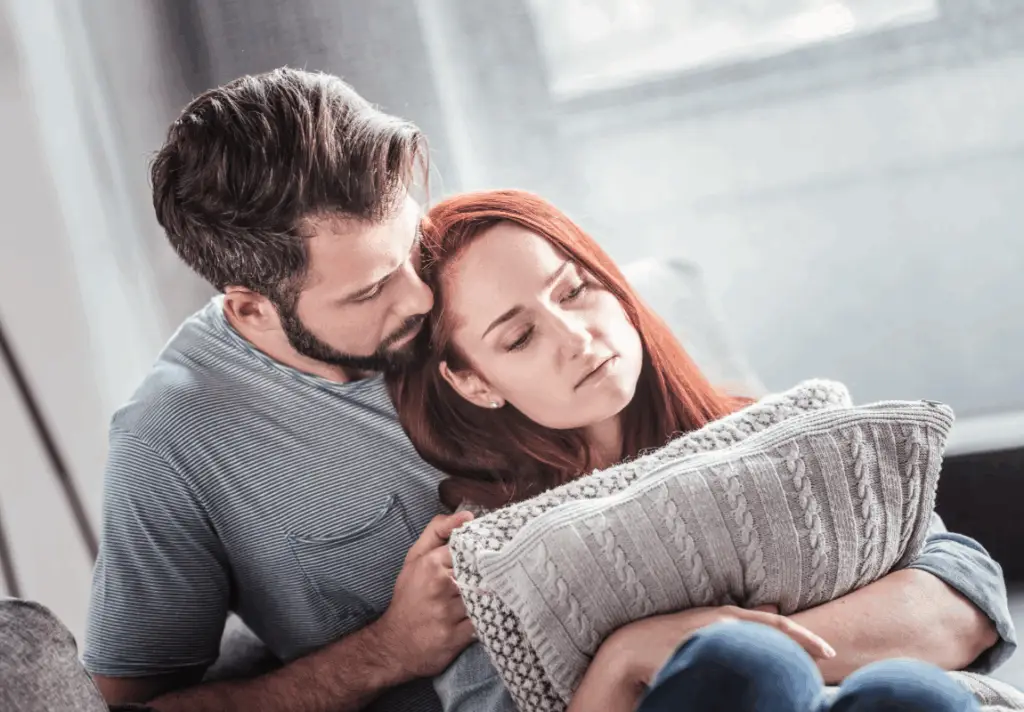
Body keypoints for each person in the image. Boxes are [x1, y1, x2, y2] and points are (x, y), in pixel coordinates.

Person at [388, 189, 1017, 711]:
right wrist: (624, 660)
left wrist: (718, 644)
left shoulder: (778, 433)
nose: (575, 337)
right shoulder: (484, 559)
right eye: (521, 336)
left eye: (575, 290)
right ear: (473, 382)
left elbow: (965, 608)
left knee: (903, 691)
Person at [80, 68, 478, 712]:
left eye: (413, 246)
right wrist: (388, 651)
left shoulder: (467, 266)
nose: (423, 297)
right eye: (370, 290)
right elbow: (132, 707)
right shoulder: (170, 442)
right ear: (252, 309)